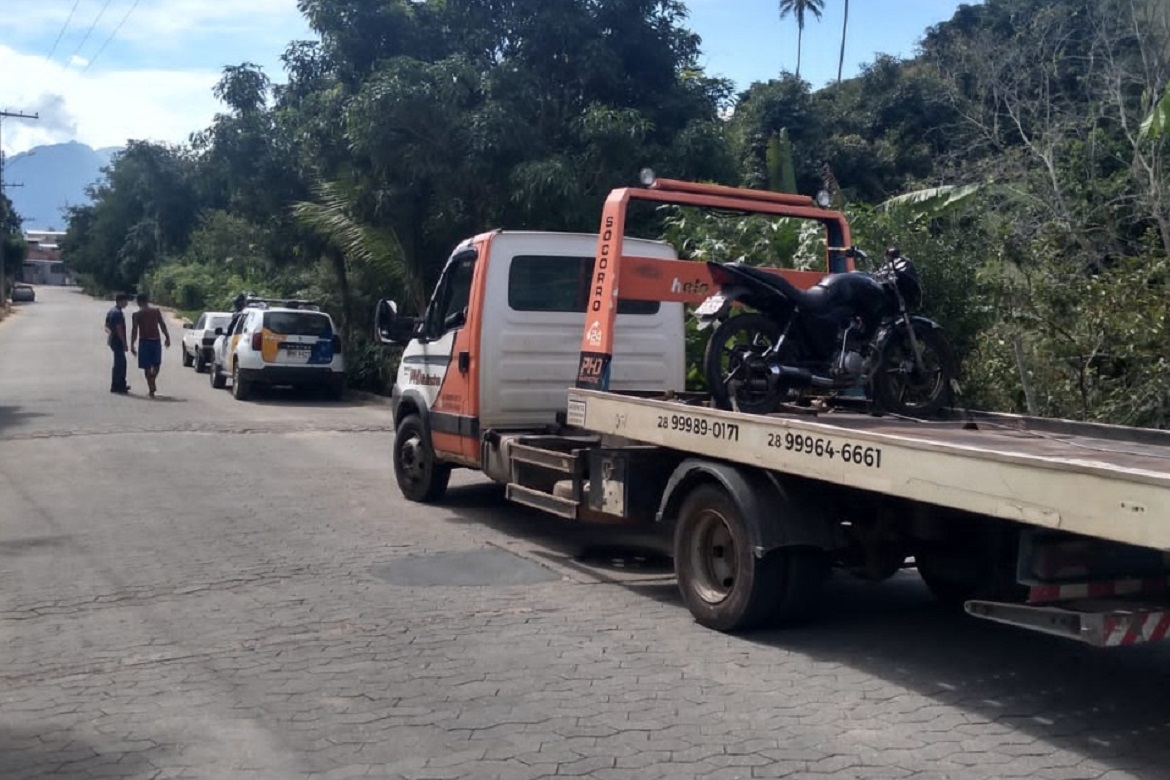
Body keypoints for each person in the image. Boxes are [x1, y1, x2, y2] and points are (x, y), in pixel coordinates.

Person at [130, 292, 171, 398]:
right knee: (157, 364)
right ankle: (152, 382)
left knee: (146, 366)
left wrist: (132, 344)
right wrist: (167, 337)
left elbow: (134, 330)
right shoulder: (156, 311)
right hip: (155, 340)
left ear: (139, 302)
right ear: (147, 301)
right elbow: (162, 325)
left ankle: (151, 387)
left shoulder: (136, 314)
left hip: (144, 341)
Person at [104, 292, 131, 394]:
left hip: (113, 341)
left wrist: (110, 333)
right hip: (118, 341)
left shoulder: (111, 311)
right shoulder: (118, 313)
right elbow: (119, 329)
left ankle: (118, 384)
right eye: (126, 301)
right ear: (121, 301)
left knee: (119, 363)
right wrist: (124, 343)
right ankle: (118, 386)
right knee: (120, 364)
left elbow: (106, 326)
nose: (127, 303)